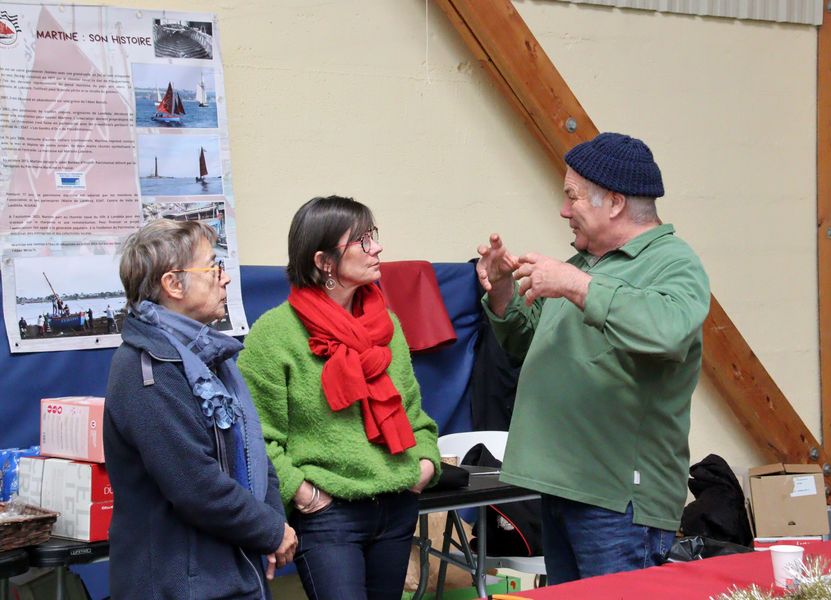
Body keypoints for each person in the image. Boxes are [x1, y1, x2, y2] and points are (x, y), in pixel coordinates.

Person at [476, 132, 710, 584]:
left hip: (618, 503)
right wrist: (503, 290)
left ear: (615, 203)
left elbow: (668, 330)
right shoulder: (588, 263)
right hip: (563, 487)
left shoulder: (673, 263)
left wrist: (573, 285)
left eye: (573, 196)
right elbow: (531, 342)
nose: (564, 211)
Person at [238, 195, 442, 600]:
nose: (377, 247)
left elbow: (413, 414)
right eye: (362, 241)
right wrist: (304, 494)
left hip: (396, 505)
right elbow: (255, 437)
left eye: (374, 236)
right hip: (330, 516)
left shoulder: (387, 326)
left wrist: (423, 466)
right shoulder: (274, 335)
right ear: (324, 262)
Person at [104, 219, 297, 599]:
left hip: (233, 572)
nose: (225, 278)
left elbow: (254, 452)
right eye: (213, 268)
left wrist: (274, 524)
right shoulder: (146, 370)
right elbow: (195, 484)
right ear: (173, 285)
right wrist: (270, 530)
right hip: (180, 586)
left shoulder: (210, 357)